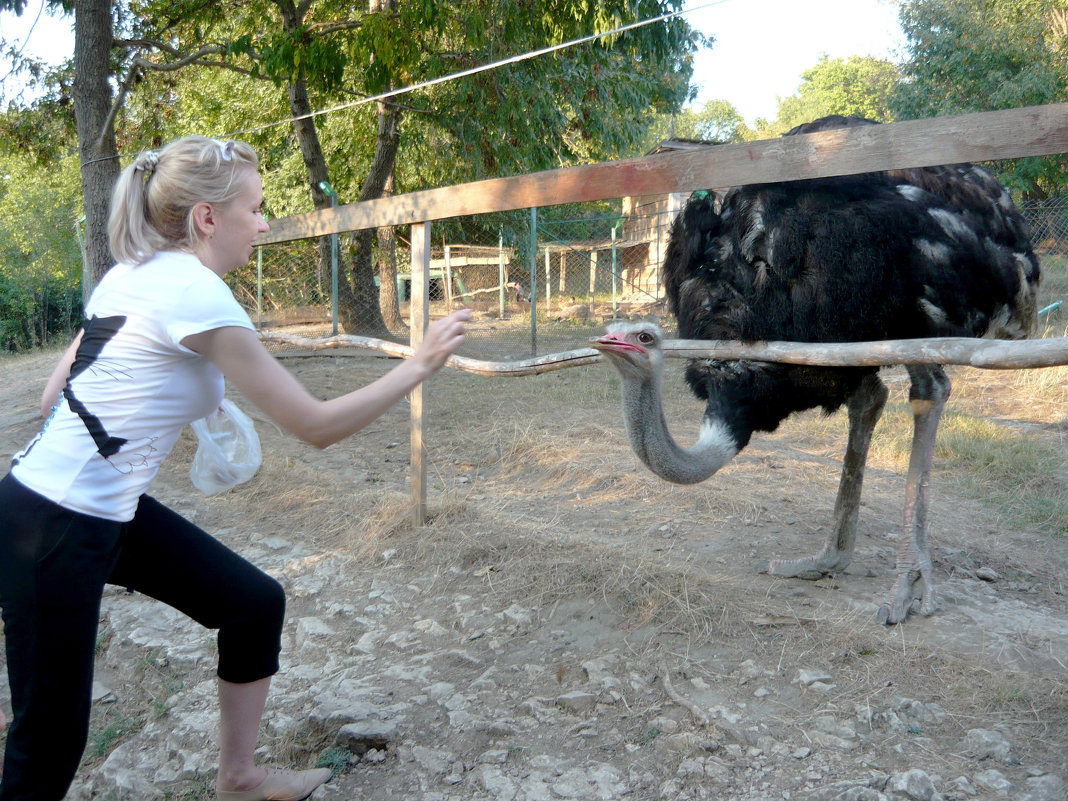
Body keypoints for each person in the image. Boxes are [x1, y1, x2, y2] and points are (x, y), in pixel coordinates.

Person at [0, 135, 471, 801]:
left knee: (251, 604)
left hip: (83, 507)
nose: (265, 221)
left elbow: (56, 396)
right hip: (57, 527)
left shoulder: (131, 272)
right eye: (255, 207)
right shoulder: (197, 293)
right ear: (207, 218)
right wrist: (417, 365)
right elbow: (316, 426)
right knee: (47, 748)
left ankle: (241, 778)